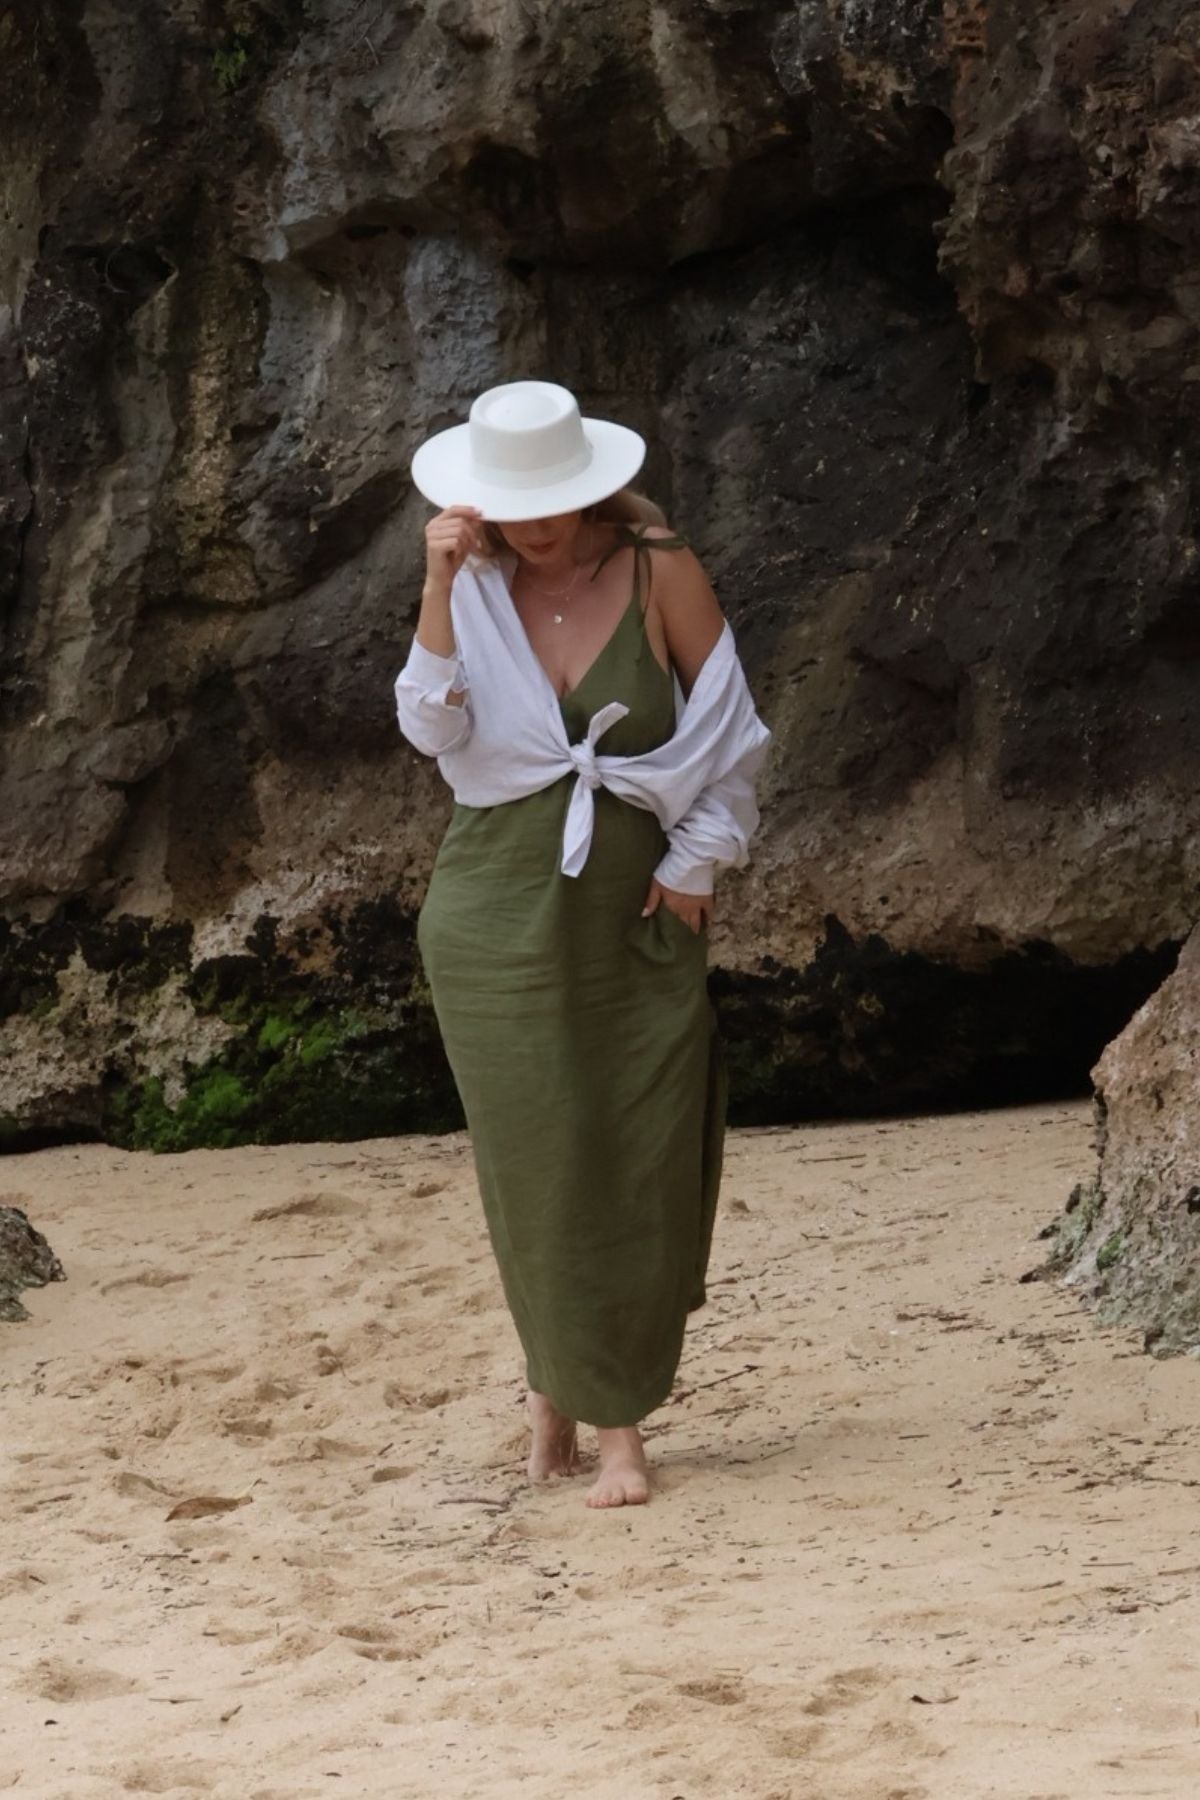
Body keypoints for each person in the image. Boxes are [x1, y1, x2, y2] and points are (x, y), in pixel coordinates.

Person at [394, 379, 770, 1508]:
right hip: (492, 914)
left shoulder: (662, 570)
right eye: (510, 506)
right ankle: (598, 1422)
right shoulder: (474, 586)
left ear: (590, 486)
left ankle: (585, 1395)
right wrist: (439, 584)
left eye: (550, 501)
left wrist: (696, 862)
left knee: (640, 1150)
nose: (533, 525)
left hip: (638, 909)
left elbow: (733, 737)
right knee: (540, 1166)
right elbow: (429, 726)